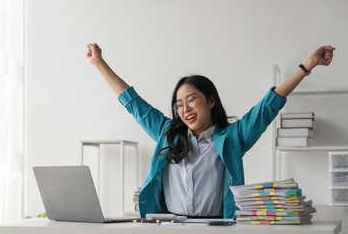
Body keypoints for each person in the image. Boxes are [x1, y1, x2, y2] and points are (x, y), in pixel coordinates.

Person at [86, 44, 335, 218]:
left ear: (211, 101)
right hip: (170, 224)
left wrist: (308, 64)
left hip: (218, 225)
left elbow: (266, 108)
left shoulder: (233, 137)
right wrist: (99, 63)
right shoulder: (166, 133)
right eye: (179, 105)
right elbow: (133, 103)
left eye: (192, 100)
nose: (185, 109)